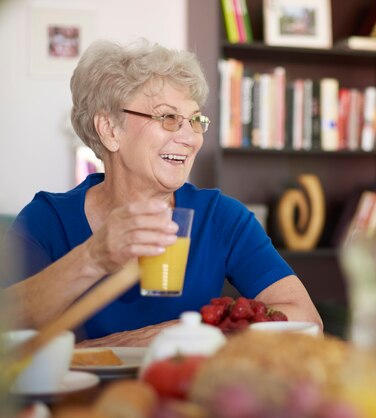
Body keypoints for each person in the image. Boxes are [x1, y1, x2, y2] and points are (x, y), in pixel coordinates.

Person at [1, 39, 321, 347]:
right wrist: (93, 256)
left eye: (195, 120)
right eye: (168, 118)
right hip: (76, 400)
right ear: (110, 129)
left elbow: (305, 321)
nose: (190, 138)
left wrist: (180, 333)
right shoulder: (49, 219)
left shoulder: (220, 217)